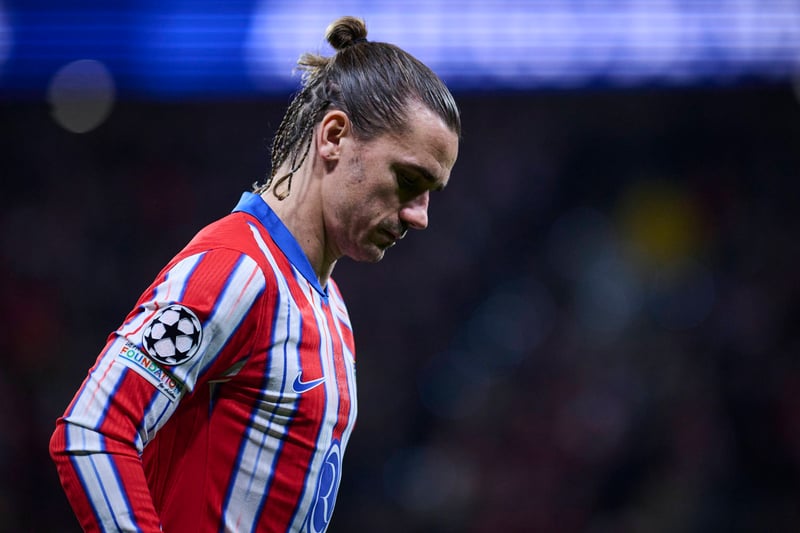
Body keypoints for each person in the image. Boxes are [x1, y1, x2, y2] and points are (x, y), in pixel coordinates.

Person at [49, 15, 460, 533]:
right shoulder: (235, 271)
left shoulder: (330, 304)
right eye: (408, 180)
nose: (420, 216)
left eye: (430, 194)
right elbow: (92, 430)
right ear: (334, 136)